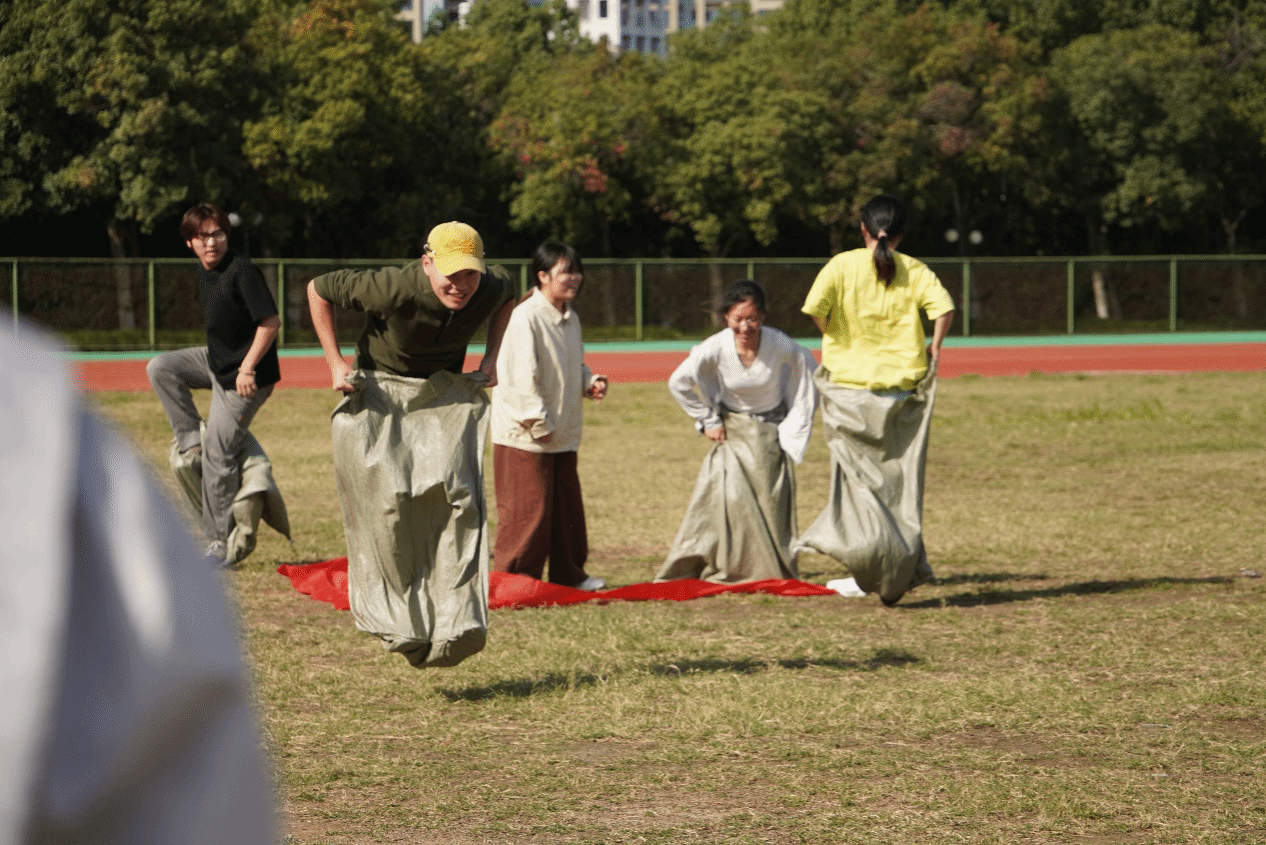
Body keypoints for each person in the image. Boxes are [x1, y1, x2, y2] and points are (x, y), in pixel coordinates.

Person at [1, 322, 276, 844]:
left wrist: (246, 369)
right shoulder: (34, 412)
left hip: (237, 375)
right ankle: (200, 470)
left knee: (219, 453)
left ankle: (220, 533)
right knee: (168, 380)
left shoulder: (32, 414)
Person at [307, 221, 516, 669]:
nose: (461, 285)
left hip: (440, 396)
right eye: (451, 274)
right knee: (390, 509)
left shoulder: (490, 285)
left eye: (470, 274)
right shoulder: (390, 288)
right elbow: (317, 290)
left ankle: (456, 620)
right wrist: (334, 362)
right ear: (427, 264)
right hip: (381, 395)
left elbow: (507, 296)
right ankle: (396, 619)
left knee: (458, 499)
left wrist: (492, 356)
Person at [797, 193, 955, 605]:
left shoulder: (841, 265)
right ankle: (896, 568)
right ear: (901, 233)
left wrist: (833, 332)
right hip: (900, 393)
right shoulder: (915, 269)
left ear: (862, 228)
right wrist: (935, 347)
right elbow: (944, 309)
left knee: (857, 488)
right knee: (897, 486)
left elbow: (815, 308)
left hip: (849, 391)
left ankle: (868, 567)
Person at [146, 202, 285, 567]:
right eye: (202, 236)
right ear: (189, 242)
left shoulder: (242, 271)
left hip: (245, 378)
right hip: (217, 362)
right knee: (161, 367)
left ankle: (220, 543)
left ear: (226, 235)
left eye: (217, 234)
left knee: (218, 455)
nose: (211, 242)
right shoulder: (204, 270)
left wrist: (247, 369)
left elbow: (270, 321)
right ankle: (191, 441)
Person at [656, 280, 818, 583]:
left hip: (769, 433)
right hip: (732, 431)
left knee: (770, 503)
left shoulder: (781, 345)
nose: (745, 326)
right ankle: (729, 561)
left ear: (763, 317)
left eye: (752, 318)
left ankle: (771, 566)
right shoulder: (715, 347)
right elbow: (678, 382)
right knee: (727, 498)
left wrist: (793, 426)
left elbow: (809, 374)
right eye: (738, 319)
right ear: (726, 318)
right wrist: (708, 420)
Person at [490, 242, 609, 591]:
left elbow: (571, 364)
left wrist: (589, 382)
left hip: (562, 431)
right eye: (565, 272)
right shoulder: (525, 317)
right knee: (528, 511)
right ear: (542, 276)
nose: (574, 278)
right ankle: (514, 582)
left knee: (565, 510)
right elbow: (518, 378)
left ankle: (569, 575)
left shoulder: (570, 317)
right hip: (526, 434)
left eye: (577, 271)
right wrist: (537, 423)